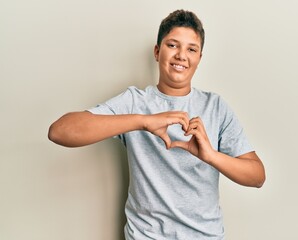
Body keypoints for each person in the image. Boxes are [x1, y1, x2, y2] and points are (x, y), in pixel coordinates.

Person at [48, 9, 265, 240]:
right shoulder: (134, 102)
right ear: (157, 51)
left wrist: (211, 155)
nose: (182, 55)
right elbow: (60, 131)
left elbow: (257, 176)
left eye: (191, 49)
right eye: (173, 45)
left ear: (199, 59)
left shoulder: (216, 107)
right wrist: (143, 121)